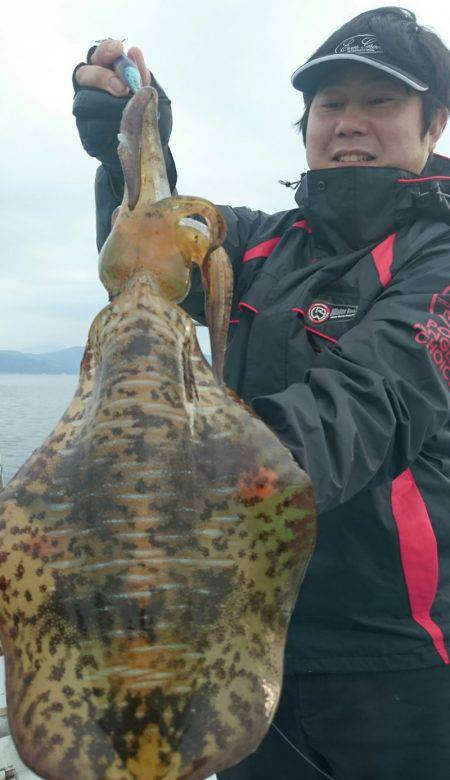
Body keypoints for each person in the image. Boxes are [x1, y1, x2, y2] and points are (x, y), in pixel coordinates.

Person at [72, 7, 450, 778]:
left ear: (433, 123)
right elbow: (153, 256)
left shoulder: (435, 255)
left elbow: (372, 404)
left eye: (379, 102)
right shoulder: (255, 242)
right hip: (230, 634)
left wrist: (167, 487)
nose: (349, 122)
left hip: (395, 663)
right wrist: (130, 141)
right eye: (329, 104)